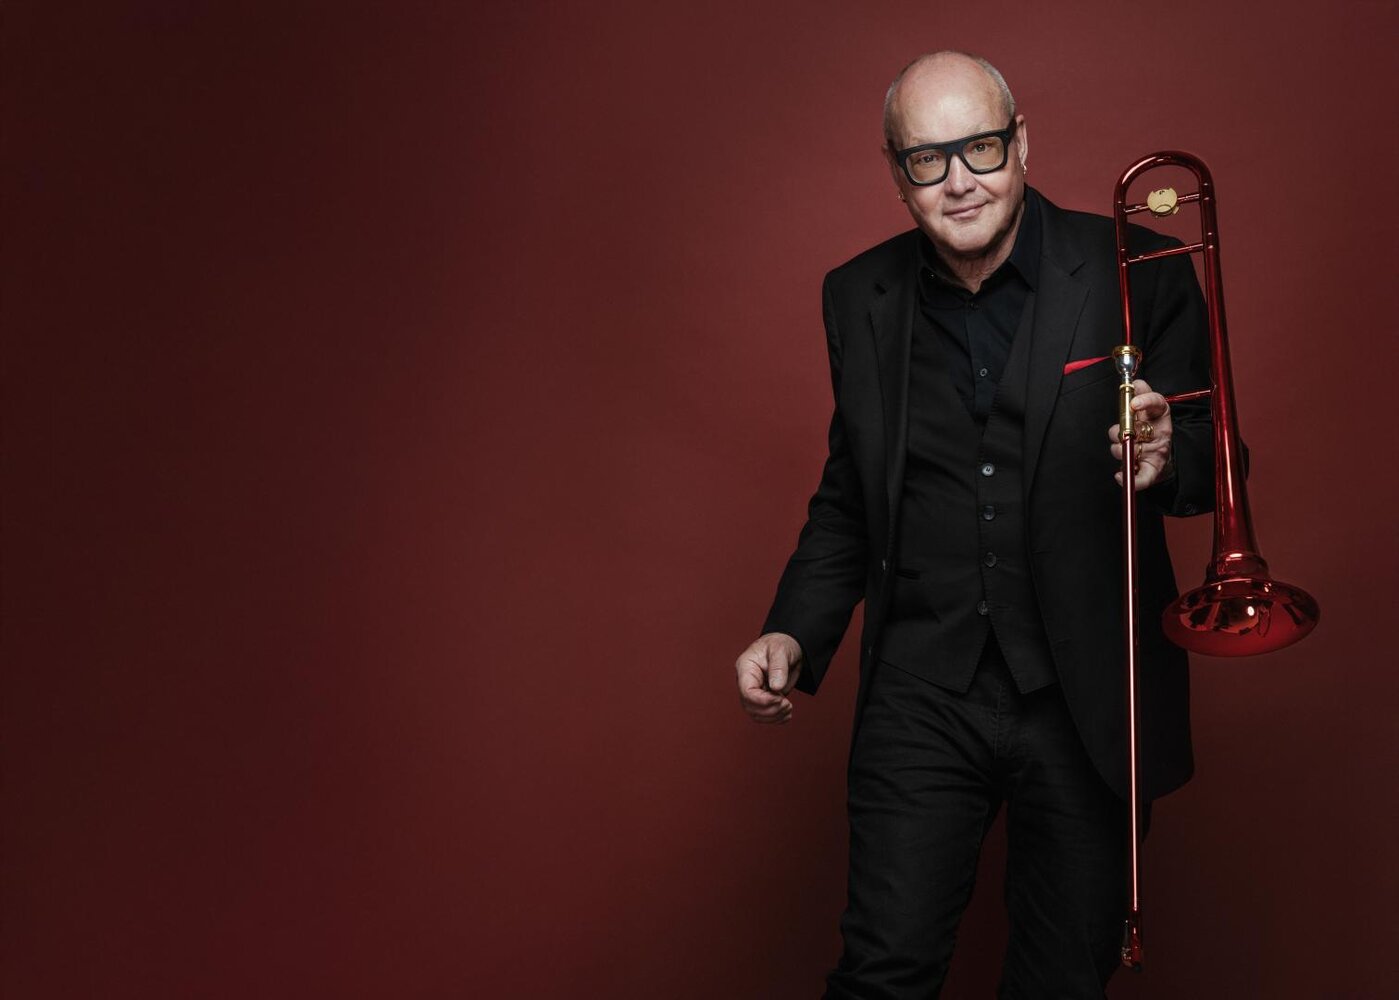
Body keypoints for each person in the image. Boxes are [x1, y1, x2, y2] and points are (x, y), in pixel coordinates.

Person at [733, 51, 1214, 998]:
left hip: (1086, 693)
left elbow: (1213, 456)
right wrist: (791, 629)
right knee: (882, 973)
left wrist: (1167, 459)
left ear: (1021, 143)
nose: (959, 180)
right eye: (927, 159)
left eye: (981, 148)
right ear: (896, 172)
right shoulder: (856, 296)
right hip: (922, 686)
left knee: (1059, 981)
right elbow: (851, 493)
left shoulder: (1140, 268)